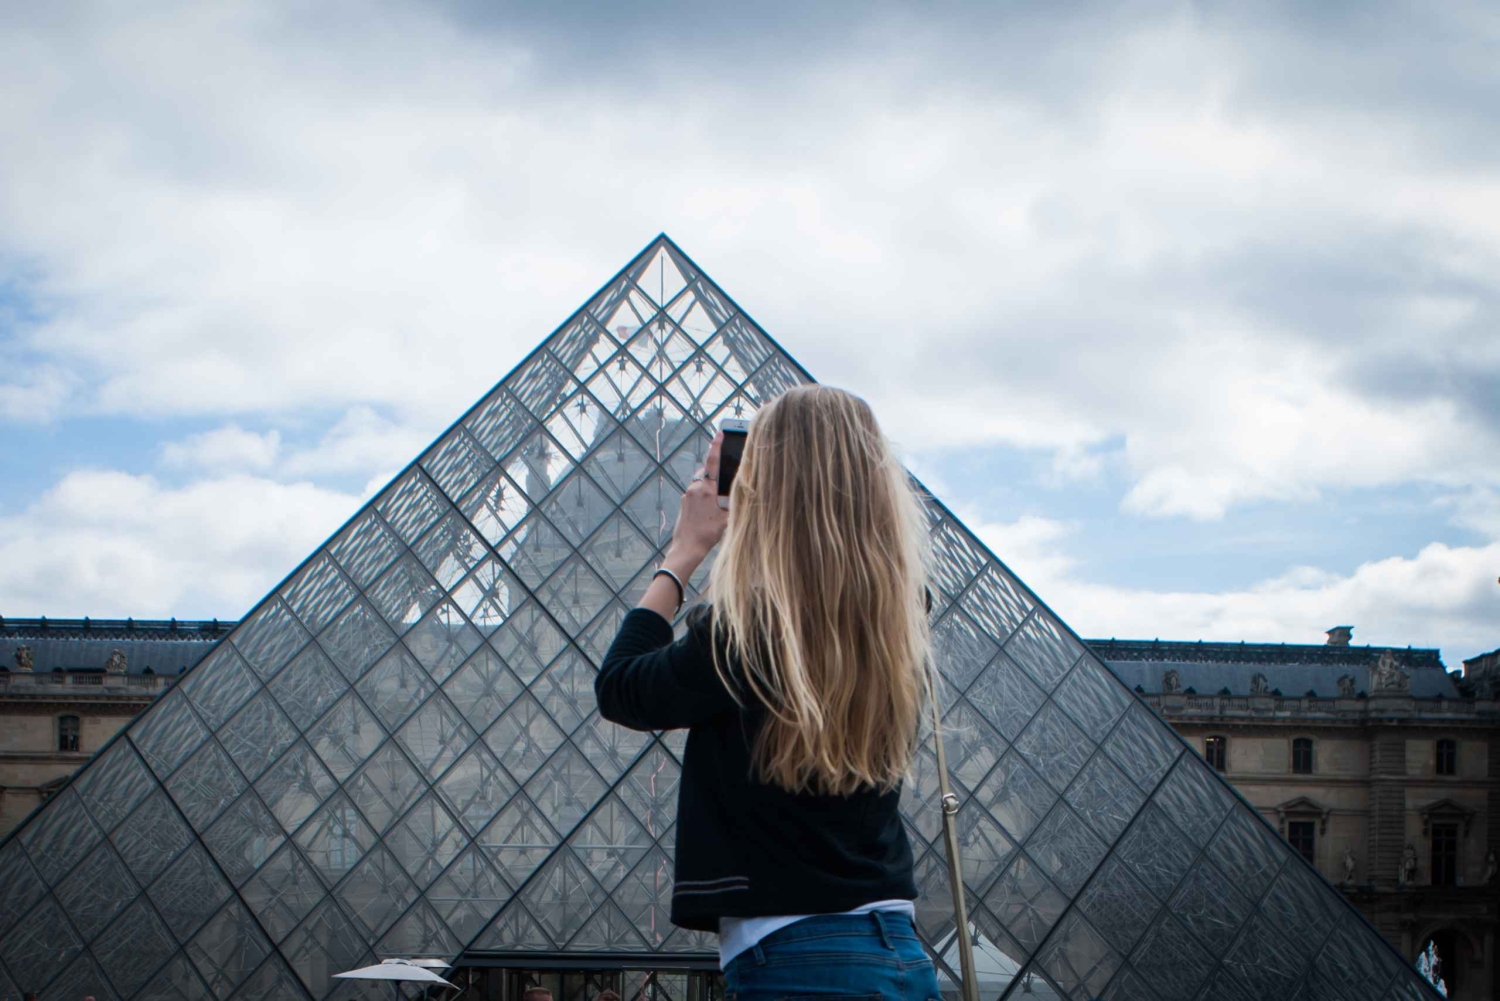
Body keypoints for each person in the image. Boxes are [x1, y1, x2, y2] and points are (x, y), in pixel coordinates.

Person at [598, 386, 939, 1001]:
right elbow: (821, 579)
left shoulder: (748, 635)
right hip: (900, 954)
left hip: (799, 965)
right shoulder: (901, 617)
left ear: (767, 488)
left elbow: (622, 688)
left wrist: (684, 551)